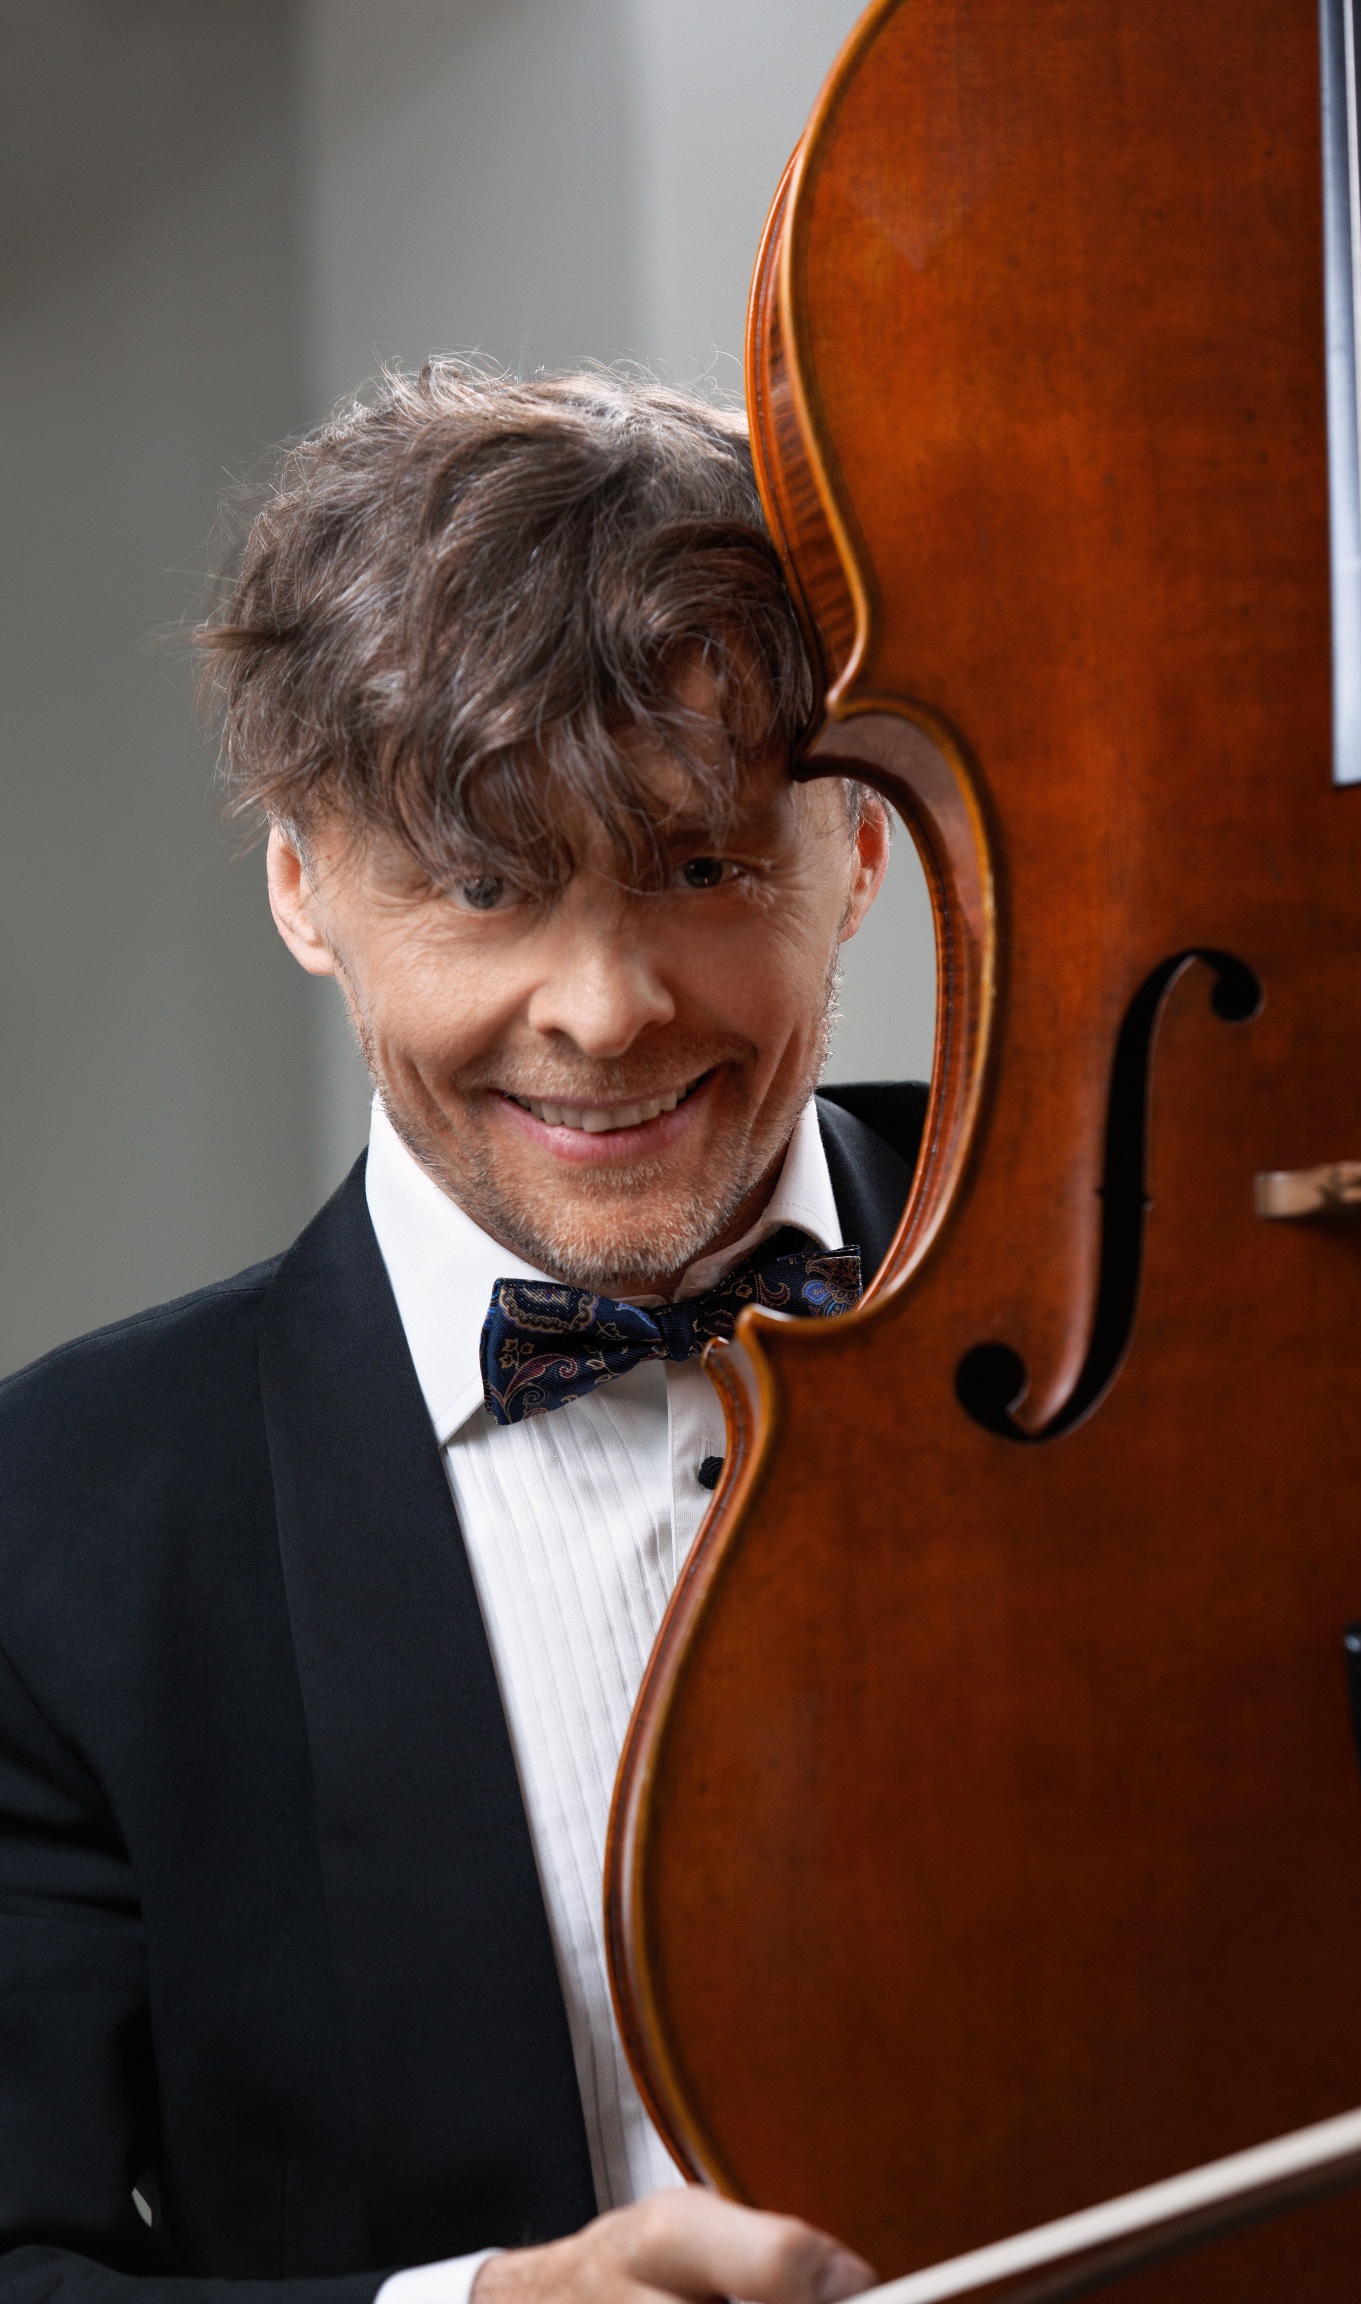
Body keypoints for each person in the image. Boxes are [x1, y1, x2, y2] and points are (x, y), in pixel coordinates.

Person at [0, 365, 929, 2304]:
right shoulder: (57, 1525)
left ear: (856, 851)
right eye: (486, 885)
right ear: (303, 888)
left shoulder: (1190, 1287)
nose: (603, 1009)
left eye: (704, 866)